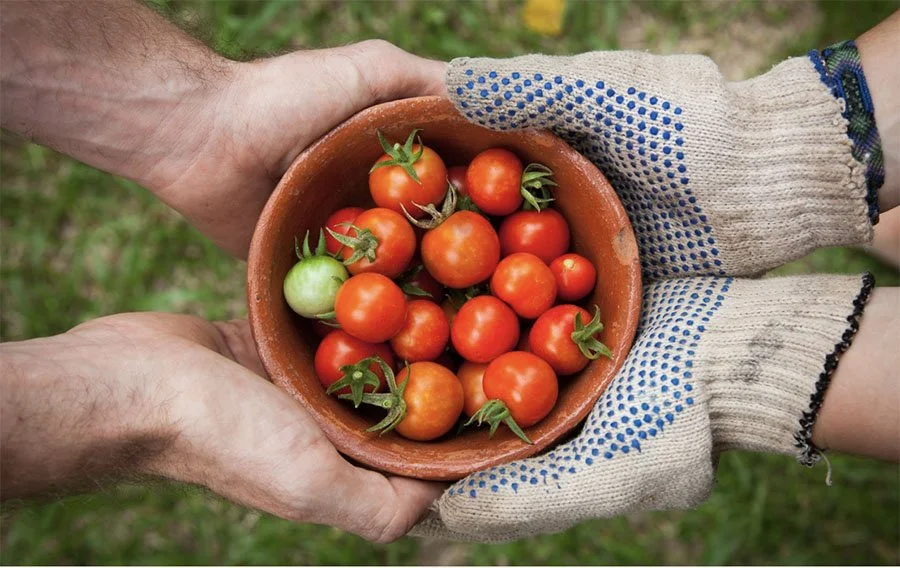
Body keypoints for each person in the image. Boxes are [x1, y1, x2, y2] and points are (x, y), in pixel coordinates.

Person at [1, 0, 897, 545]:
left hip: (494, 312)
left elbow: (446, 300)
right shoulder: (415, 302)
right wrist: (144, 407)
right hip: (488, 323)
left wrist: (781, 146)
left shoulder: (415, 267)